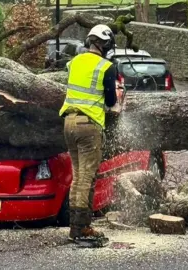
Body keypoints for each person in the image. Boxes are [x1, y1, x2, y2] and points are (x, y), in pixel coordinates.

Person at [59, 24, 120, 244]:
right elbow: (112, 101)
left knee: (77, 176)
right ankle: (81, 229)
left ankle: (75, 226)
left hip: (69, 123)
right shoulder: (106, 67)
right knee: (87, 177)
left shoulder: (74, 62)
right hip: (89, 125)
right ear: (105, 44)